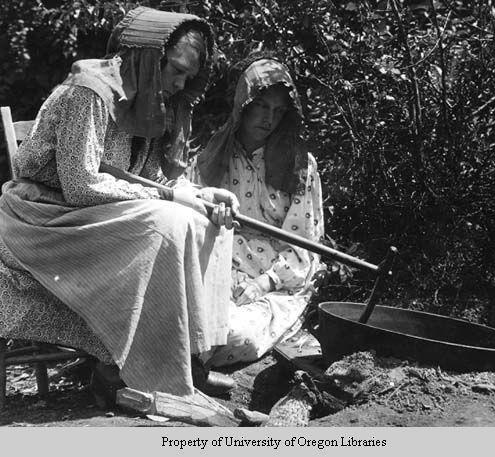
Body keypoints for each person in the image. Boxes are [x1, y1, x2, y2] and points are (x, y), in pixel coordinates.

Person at [0, 7, 238, 397]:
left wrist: (199, 195)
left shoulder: (145, 103)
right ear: (147, 58)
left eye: (187, 77)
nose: (179, 84)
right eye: (176, 70)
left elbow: (144, 177)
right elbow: (80, 185)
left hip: (91, 216)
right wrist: (168, 197)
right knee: (164, 224)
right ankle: (119, 374)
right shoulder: (89, 93)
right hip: (43, 220)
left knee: (206, 220)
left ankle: (189, 359)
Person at [188, 57, 325, 366]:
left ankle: (194, 362)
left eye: (278, 111)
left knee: (235, 334)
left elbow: (304, 247)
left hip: (272, 285)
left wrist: (264, 283)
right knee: (185, 319)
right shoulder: (213, 156)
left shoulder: (299, 166)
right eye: (262, 106)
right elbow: (189, 215)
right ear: (244, 105)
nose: (268, 119)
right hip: (216, 268)